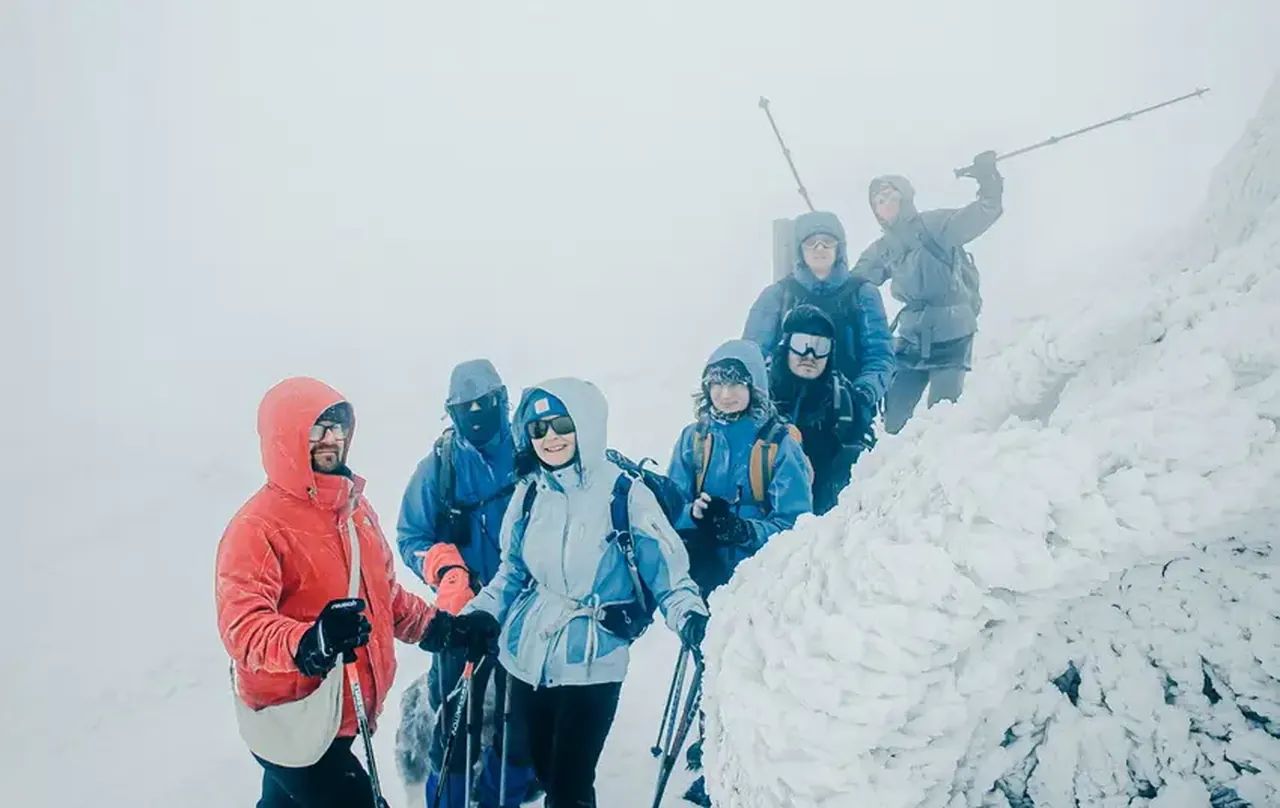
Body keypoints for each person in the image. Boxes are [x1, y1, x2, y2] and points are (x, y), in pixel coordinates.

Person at [423, 378, 709, 808]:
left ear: (586, 426)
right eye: (538, 429)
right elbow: (511, 573)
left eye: (561, 425)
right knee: (540, 767)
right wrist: (478, 615)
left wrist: (689, 617)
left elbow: (669, 577)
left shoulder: (626, 494)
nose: (550, 438)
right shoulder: (530, 493)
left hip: (593, 660)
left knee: (569, 786)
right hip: (526, 659)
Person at [216, 376, 435, 808]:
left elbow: (384, 597)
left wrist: (439, 628)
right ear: (286, 437)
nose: (331, 438)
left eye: (338, 427)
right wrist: (310, 641)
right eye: (317, 428)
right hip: (294, 717)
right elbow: (243, 627)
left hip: (336, 715)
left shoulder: (354, 508)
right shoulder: (257, 527)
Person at [666, 339, 813, 807]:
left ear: (755, 387)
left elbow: (797, 524)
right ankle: (715, 742)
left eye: (736, 384)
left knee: (743, 668)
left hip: (762, 578)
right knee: (710, 660)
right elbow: (671, 504)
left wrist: (741, 529)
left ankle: (731, 764)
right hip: (709, 570)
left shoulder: (779, 444)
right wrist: (693, 522)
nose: (726, 394)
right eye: (717, 384)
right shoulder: (694, 440)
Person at [395, 359, 536, 807]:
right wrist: (446, 571)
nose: (476, 413)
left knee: (524, 717)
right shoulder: (440, 467)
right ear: (451, 411)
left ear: (502, 400)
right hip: (462, 614)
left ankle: (501, 796)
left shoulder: (530, 448)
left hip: (526, 608)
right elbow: (412, 536)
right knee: (453, 719)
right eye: (465, 407)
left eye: (485, 403)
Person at [851, 151, 1004, 433]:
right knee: (893, 421)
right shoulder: (883, 248)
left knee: (943, 415)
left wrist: (989, 180)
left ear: (905, 196)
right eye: (878, 202)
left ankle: (951, 454)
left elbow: (983, 213)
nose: (885, 204)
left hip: (953, 332)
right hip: (911, 338)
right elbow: (857, 283)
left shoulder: (934, 225)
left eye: (890, 196)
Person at [742, 209, 896, 407]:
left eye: (828, 241)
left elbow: (880, 354)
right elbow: (752, 356)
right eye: (811, 242)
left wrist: (863, 394)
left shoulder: (862, 294)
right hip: (784, 408)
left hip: (847, 408)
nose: (820, 248)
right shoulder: (777, 295)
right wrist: (764, 397)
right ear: (799, 249)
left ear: (839, 247)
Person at [769, 305, 873, 515]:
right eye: (802, 344)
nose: (810, 355)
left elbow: (868, 456)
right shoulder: (761, 394)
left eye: (820, 347)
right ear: (786, 345)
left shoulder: (843, 399)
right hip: (768, 507)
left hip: (823, 511)